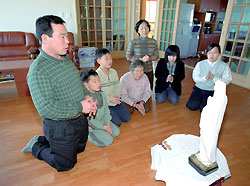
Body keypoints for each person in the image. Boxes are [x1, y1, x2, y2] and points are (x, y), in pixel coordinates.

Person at [22, 15, 97, 172]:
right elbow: (46, 108)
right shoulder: (38, 71)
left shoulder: (65, 58)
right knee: (65, 165)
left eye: (67, 36)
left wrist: (86, 97)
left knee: (80, 149)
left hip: (79, 118)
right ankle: (37, 145)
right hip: (60, 125)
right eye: (62, 37)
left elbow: (76, 83)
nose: (67, 41)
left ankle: (51, 142)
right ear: (45, 38)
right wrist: (81, 107)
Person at [186, 43, 232, 112]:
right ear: (207, 53)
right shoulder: (200, 64)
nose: (212, 55)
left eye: (215, 52)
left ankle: (204, 102)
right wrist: (204, 79)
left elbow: (227, 80)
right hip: (199, 88)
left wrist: (214, 78)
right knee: (191, 106)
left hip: (212, 91)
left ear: (219, 54)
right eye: (209, 52)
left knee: (204, 110)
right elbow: (195, 77)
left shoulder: (224, 66)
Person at [80, 69, 120, 147]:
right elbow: (90, 121)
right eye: (95, 81)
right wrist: (102, 127)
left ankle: (103, 130)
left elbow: (106, 110)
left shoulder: (102, 94)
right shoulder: (86, 99)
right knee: (108, 141)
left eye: (99, 80)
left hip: (102, 121)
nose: (98, 83)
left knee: (116, 132)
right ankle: (88, 135)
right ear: (86, 85)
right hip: (92, 126)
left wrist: (107, 123)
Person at [96, 48, 131, 127]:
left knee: (127, 118)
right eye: (106, 59)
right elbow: (98, 94)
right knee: (117, 123)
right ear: (99, 61)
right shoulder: (96, 75)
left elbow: (118, 86)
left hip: (116, 100)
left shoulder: (114, 72)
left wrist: (116, 97)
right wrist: (109, 99)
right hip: (106, 103)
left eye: (110, 58)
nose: (110, 61)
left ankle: (115, 111)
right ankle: (106, 115)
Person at [126, 19, 159, 90]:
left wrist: (149, 58)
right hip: (136, 70)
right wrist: (141, 59)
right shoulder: (133, 42)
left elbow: (156, 56)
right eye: (141, 28)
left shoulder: (153, 42)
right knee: (135, 89)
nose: (144, 30)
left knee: (148, 88)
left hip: (149, 69)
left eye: (146, 28)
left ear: (149, 29)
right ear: (138, 30)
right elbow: (128, 56)